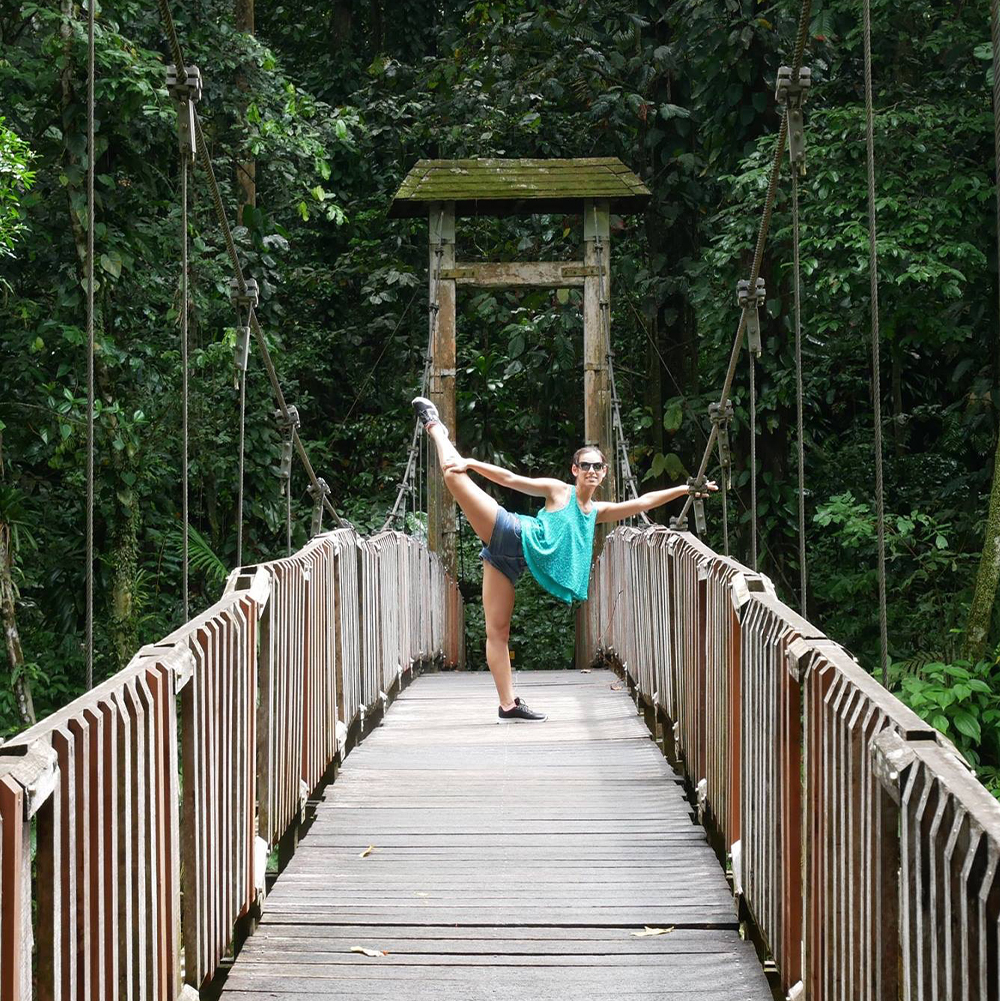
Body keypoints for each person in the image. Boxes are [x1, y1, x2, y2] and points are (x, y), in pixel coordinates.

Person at [411, 396, 717, 723]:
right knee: (454, 474)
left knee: (497, 632)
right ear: (575, 470)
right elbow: (512, 480)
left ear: (603, 473)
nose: (590, 470)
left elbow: (643, 502)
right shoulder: (559, 491)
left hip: (509, 563)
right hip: (509, 531)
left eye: (597, 466)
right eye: (584, 465)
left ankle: (508, 705)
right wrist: (473, 464)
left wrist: (686, 489)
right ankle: (436, 427)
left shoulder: (597, 513)